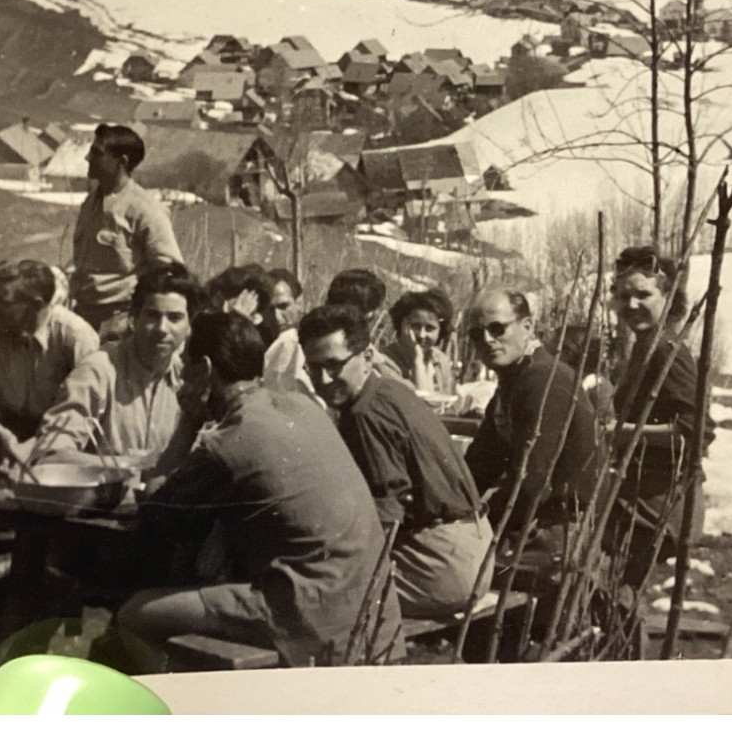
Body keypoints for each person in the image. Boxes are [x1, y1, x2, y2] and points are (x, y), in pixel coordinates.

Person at [111, 312, 402, 669]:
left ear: (203, 367)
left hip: (314, 615)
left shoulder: (227, 441)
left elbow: (156, 515)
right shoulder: (304, 407)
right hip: (370, 607)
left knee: (135, 615)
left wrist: (188, 419)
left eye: (186, 364)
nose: (181, 375)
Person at [299, 304, 491, 618]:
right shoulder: (390, 389)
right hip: (477, 552)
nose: (324, 378)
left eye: (334, 365)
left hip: (440, 566)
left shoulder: (364, 414)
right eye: (314, 367)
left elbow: (386, 513)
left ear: (367, 357)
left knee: (314, 595)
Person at [0, 261, 101, 532]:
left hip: (63, 435)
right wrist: (2, 437)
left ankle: (57, 543)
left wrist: (43, 444)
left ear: (36, 305)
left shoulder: (76, 337)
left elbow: (90, 411)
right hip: (8, 427)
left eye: (4, 301)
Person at [604, 245, 710, 588]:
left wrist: (622, 433)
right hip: (641, 499)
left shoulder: (667, 351)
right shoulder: (644, 347)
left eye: (643, 294)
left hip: (661, 507)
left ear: (668, 297)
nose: (631, 304)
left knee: (618, 590)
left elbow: (697, 433)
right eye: (623, 296)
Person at [461, 287, 597, 554]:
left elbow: (532, 483)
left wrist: (475, 526)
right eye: (477, 333)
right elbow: (481, 462)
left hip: (561, 529)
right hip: (539, 518)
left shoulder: (542, 379)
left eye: (497, 328)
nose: (487, 340)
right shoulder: (515, 377)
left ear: (527, 327)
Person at [34, 263, 206, 473]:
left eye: (175, 318)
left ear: (190, 326)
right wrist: (128, 465)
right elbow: (49, 454)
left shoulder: (184, 379)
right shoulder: (99, 371)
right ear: (134, 317)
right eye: (152, 315)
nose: (162, 329)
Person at [70, 124, 183, 336]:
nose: (87, 158)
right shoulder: (92, 200)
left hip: (120, 322)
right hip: (84, 316)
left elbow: (170, 272)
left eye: (97, 153)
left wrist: (135, 318)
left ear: (121, 162)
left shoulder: (145, 210)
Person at [383, 290, 458, 396]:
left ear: (440, 331)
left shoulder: (441, 361)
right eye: (415, 326)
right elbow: (420, 404)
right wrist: (417, 360)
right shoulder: (385, 361)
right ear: (402, 325)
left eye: (430, 328)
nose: (422, 335)